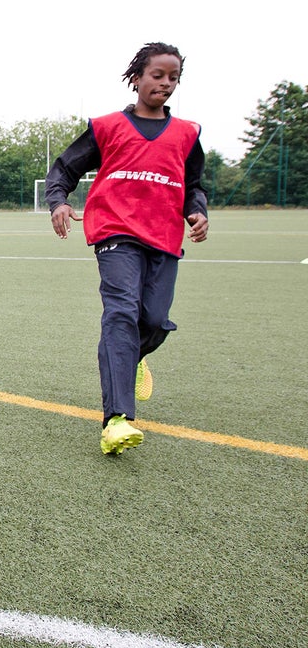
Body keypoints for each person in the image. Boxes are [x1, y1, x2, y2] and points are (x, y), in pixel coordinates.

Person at [45, 42, 208, 455]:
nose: (166, 83)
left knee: (153, 319)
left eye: (174, 78)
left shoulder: (188, 134)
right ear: (136, 78)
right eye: (158, 75)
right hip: (115, 232)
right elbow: (65, 168)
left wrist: (197, 211)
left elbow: (193, 184)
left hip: (164, 238)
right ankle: (117, 418)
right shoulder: (106, 127)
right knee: (121, 312)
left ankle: (132, 359)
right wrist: (59, 200)